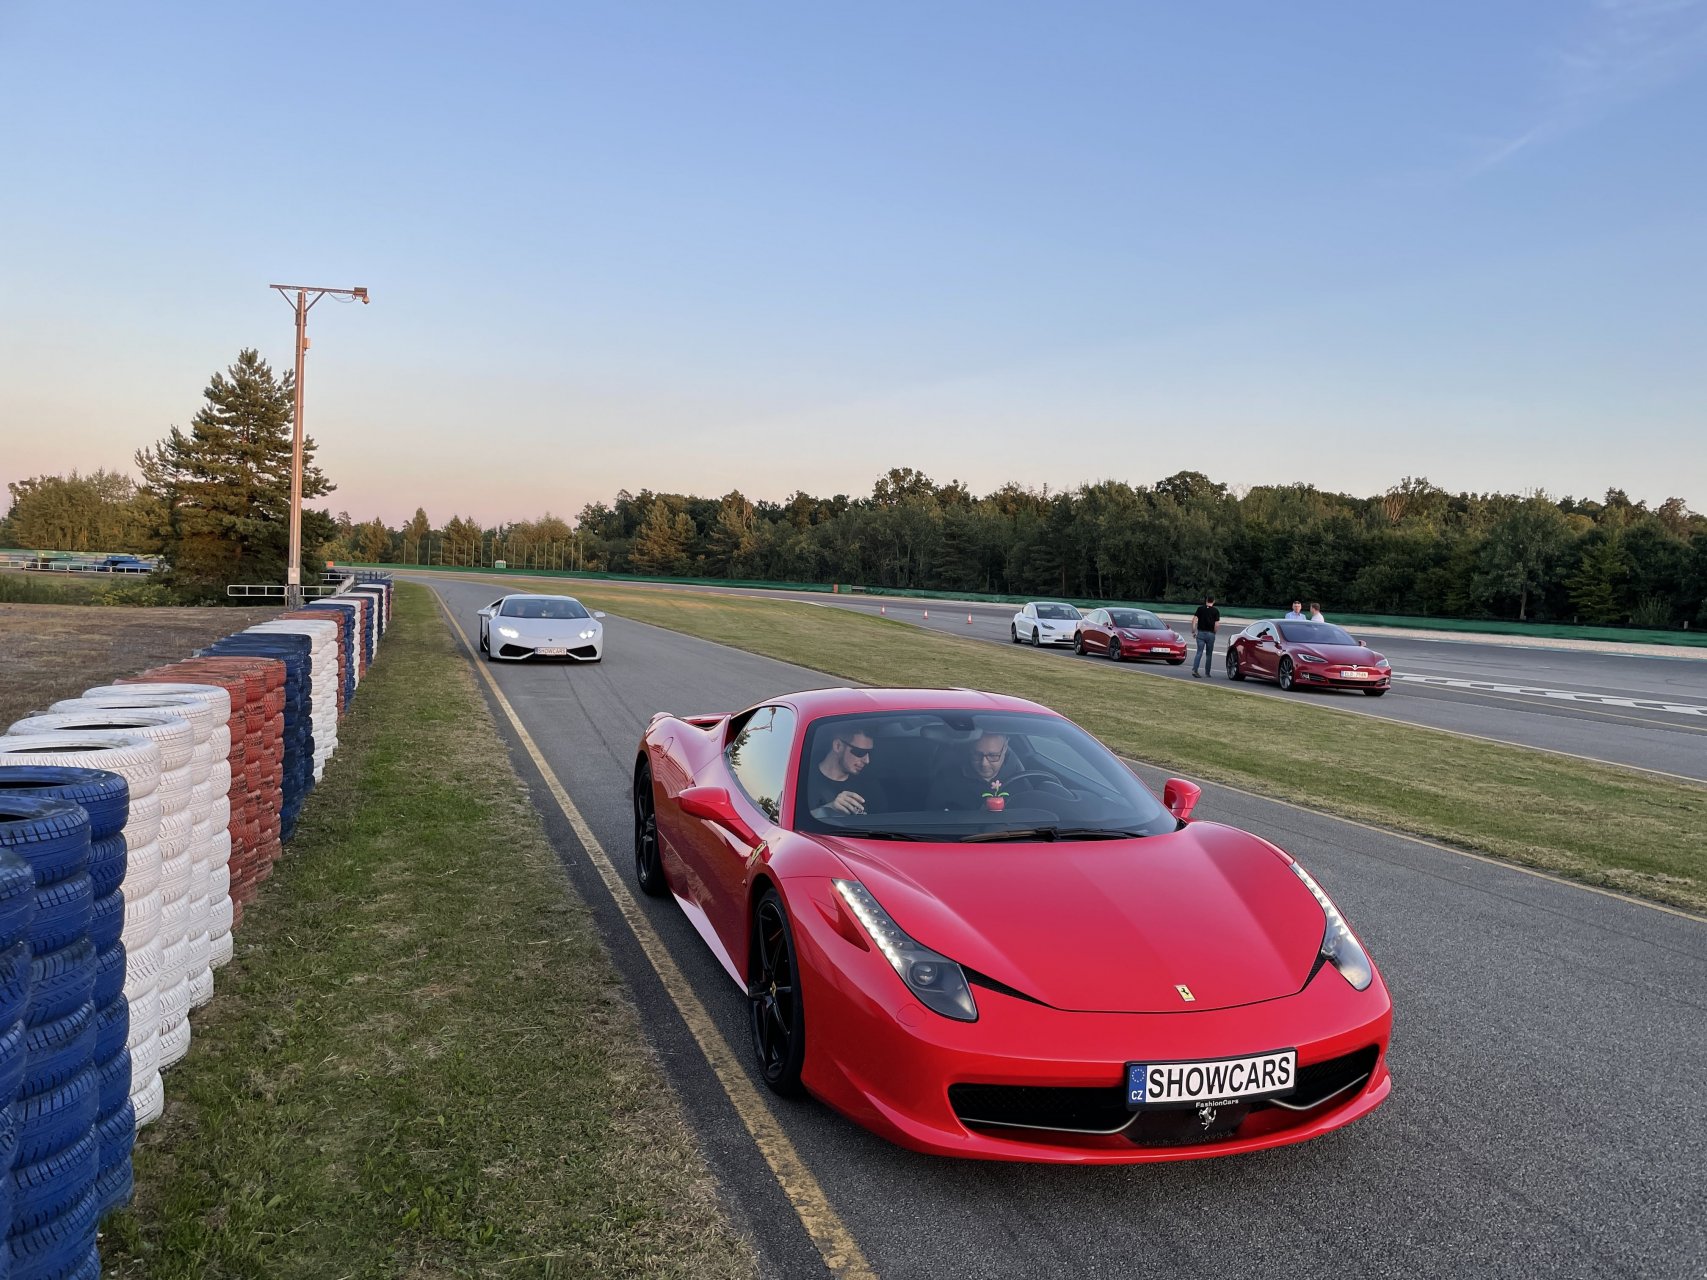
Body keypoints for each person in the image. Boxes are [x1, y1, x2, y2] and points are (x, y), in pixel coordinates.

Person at [806, 724, 881, 818]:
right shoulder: (802, 780)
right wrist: (827, 810)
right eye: (860, 752)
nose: (867, 760)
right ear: (838, 746)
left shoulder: (870, 785)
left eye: (869, 753)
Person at [926, 732, 1015, 811]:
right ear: (970, 749)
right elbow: (931, 818)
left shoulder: (1017, 777)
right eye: (977, 755)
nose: (984, 764)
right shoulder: (947, 780)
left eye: (993, 756)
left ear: (1005, 748)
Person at [1190, 596, 1220, 679]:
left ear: (1206, 601)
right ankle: (1207, 672)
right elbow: (1217, 624)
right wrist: (1214, 632)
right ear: (1213, 601)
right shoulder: (1215, 610)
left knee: (1199, 652)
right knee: (1209, 654)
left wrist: (1193, 631)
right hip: (1210, 634)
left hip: (1201, 633)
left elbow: (1194, 620)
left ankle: (1195, 670)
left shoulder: (1200, 609)